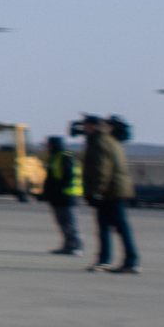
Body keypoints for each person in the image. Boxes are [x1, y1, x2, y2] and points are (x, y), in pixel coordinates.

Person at [84, 118, 141, 276]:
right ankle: (124, 260)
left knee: (110, 227)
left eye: (86, 126)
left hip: (110, 192)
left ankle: (118, 260)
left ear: (93, 126)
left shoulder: (99, 141)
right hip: (116, 190)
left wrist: (96, 191)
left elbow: (101, 168)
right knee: (118, 227)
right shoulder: (110, 140)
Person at [41, 131, 83, 257]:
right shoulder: (55, 157)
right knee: (62, 222)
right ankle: (67, 245)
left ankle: (76, 246)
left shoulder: (65, 156)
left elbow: (67, 177)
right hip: (57, 196)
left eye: (48, 145)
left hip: (66, 196)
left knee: (70, 222)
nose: (47, 147)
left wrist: (59, 189)